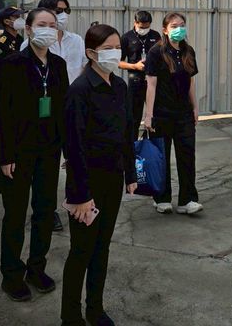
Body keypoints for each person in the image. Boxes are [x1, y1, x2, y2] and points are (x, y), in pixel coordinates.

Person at [61, 24, 138, 326]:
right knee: (81, 251)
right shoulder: (80, 90)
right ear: (92, 53)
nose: (115, 53)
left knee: (101, 248)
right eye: (108, 49)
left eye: (117, 47)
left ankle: (95, 308)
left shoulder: (120, 86)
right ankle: (71, 316)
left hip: (112, 179)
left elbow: (127, 133)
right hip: (86, 182)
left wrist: (130, 174)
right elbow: (74, 145)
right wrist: (80, 195)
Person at [0, 8, 70, 303]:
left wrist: (67, 151)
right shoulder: (12, 63)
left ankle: (36, 268)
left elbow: (62, 110)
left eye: (52, 25)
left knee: (44, 211)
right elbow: (3, 112)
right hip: (18, 153)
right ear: (28, 29)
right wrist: (5, 156)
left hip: (48, 151)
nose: (48, 29)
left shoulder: (58, 65)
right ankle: (11, 275)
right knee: (15, 215)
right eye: (42, 24)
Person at [21, 0, 87, 231]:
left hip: (72, 109)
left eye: (65, 11)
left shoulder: (76, 41)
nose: (62, 16)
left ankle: (76, 201)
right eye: (58, 11)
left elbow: (83, 71)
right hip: (44, 115)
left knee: (75, 159)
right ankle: (47, 211)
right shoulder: (28, 46)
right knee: (45, 167)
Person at [143, 12, 202, 215]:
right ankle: (162, 198)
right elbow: (151, 84)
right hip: (162, 113)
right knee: (161, 157)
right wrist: (148, 115)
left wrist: (195, 107)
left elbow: (190, 81)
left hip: (184, 113)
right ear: (165, 30)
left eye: (182, 25)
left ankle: (188, 200)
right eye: (174, 26)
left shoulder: (188, 51)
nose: (179, 29)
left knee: (187, 156)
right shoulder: (156, 52)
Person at [0, 6, 24, 192]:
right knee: (2, 138)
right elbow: (3, 74)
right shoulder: (1, 44)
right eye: (16, 16)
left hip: (18, 96)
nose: (20, 19)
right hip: (3, 96)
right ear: (7, 21)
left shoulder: (20, 40)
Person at [119, 10, 161, 128]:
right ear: (135, 23)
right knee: (133, 117)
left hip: (153, 79)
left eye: (147, 27)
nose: (144, 30)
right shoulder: (126, 37)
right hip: (135, 79)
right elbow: (118, 62)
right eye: (141, 27)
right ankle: (132, 139)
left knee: (156, 114)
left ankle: (154, 138)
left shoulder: (155, 36)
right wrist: (134, 66)